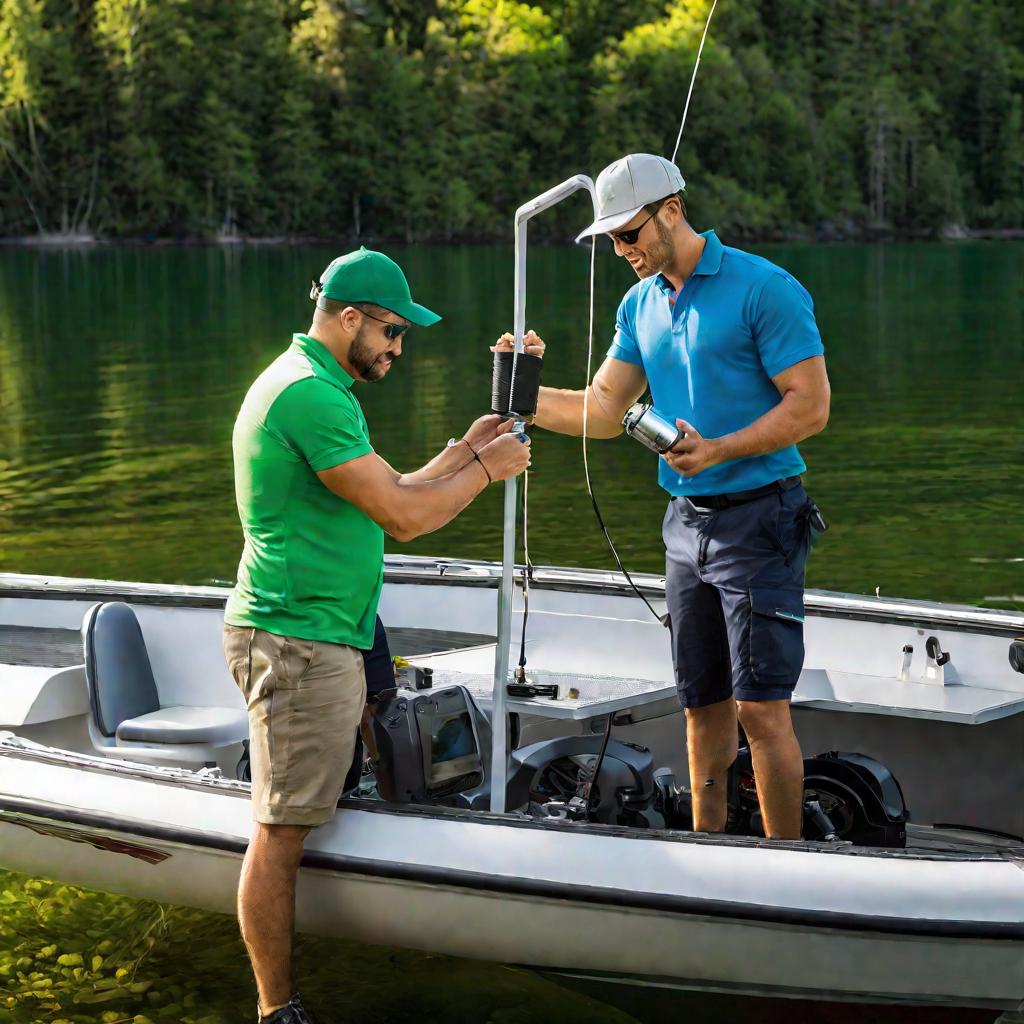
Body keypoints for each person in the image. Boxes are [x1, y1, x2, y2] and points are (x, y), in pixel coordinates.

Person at [223, 246, 530, 1024]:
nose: (397, 348)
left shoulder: (321, 385)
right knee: (281, 831)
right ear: (348, 316)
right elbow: (406, 518)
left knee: (322, 803)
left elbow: (394, 489)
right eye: (391, 331)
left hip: (335, 630)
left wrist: (467, 447)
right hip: (297, 639)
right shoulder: (309, 396)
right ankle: (276, 1010)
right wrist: (489, 470)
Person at [494, 153, 830, 842]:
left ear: (672, 210)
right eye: (611, 240)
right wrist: (516, 387)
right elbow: (599, 409)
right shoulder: (639, 304)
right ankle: (710, 852)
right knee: (702, 706)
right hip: (686, 528)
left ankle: (787, 864)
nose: (622, 250)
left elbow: (812, 407)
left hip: (762, 519)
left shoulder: (766, 289)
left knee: (761, 710)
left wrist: (720, 449)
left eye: (629, 234)